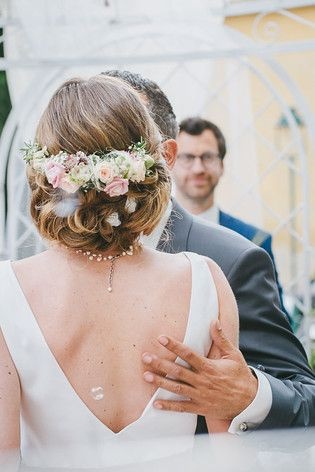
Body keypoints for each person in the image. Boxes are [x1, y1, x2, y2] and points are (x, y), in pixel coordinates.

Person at [0, 75, 239, 468]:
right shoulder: (204, 280)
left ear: (48, 174)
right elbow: (230, 458)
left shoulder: (9, 292)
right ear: (148, 165)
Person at [103, 70, 315, 434]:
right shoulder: (53, 269)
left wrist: (250, 394)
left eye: (120, 137)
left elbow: (305, 395)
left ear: (163, 154)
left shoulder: (234, 260)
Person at [173, 116, 288, 318]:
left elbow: (277, 322)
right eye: (188, 157)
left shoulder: (255, 240)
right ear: (171, 163)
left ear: (222, 165)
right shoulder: (148, 234)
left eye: (208, 157)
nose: (198, 168)